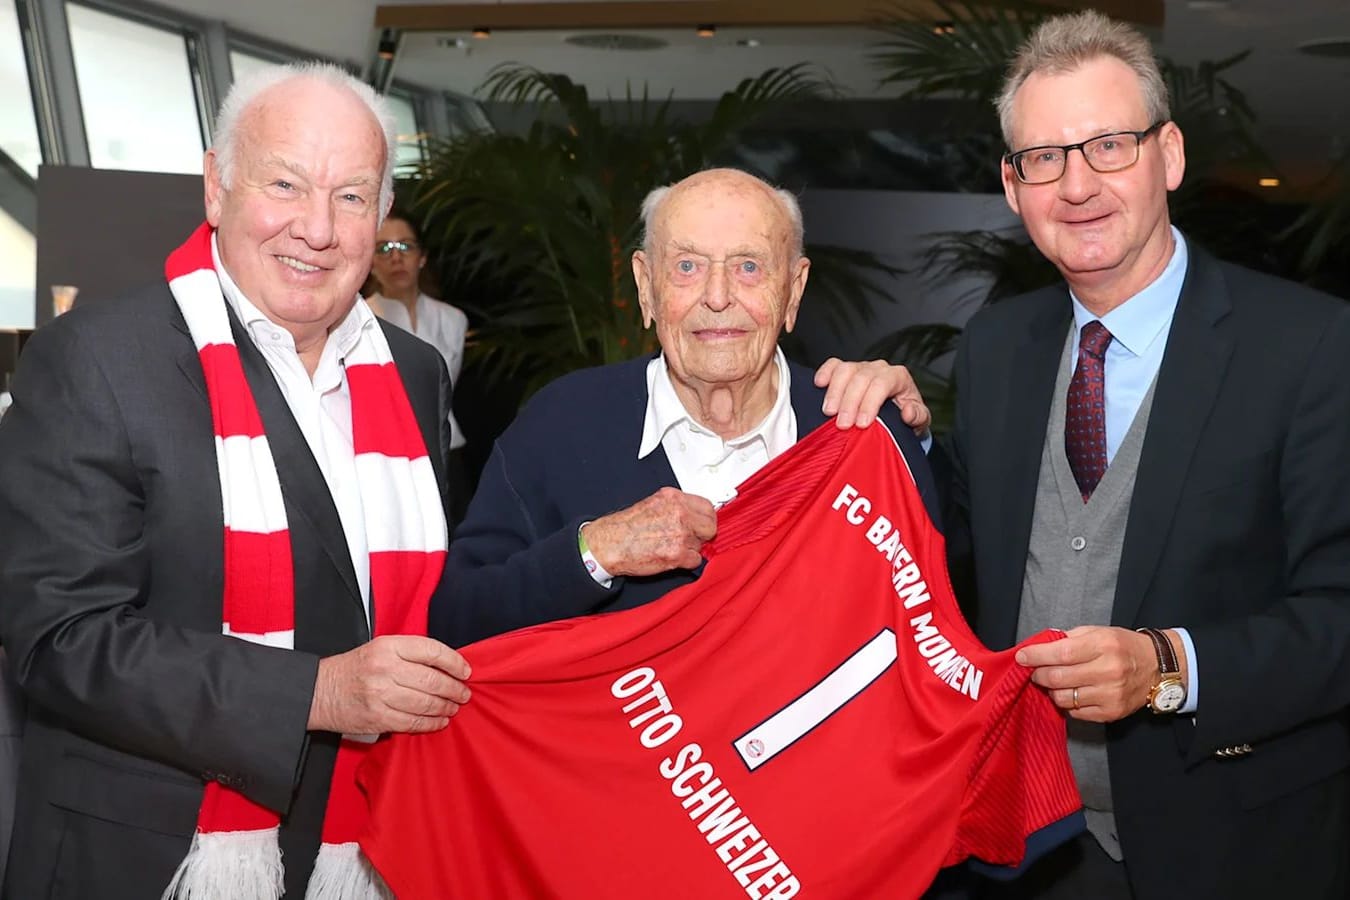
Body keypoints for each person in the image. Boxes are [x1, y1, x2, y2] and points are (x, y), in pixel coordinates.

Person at [0, 63, 471, 899]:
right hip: (145, 859)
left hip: (362, 846)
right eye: (285, 183)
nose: (317, 229)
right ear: (217, 186)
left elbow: (423, 603)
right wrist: (314, 694)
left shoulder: (415, 372)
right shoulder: (99, 360)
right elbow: (58, 638)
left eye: (353, 197)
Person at [940, 11, 1350, 898]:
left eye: (1108, 146)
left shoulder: (1311, 347)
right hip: (1028, 852)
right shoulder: (994, 351)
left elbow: (1341, 617)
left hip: (1236, 851)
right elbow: (946, 564)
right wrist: (881, 425)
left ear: (1168, 155)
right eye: (1043, 158)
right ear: (1013, 190)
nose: (1076, 184)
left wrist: (1170, 666)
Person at [431, 167, 939, 648]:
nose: (717, 297)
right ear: (646, 287)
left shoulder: (857, 428)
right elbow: (457, 620)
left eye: (748, 267)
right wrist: (597, 552)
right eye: (687, 267)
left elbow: (936, 615)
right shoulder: (559, 425)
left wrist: (907, 436)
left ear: (793, 291)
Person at [366, 210, 471, 520]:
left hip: (448, 449)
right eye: (383, 249)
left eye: (405, 247)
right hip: (387, 457)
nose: (396, 258)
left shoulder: (453, 319)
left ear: (422, 257)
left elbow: (447, 388)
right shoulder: (356, 319)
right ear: (370, 261)